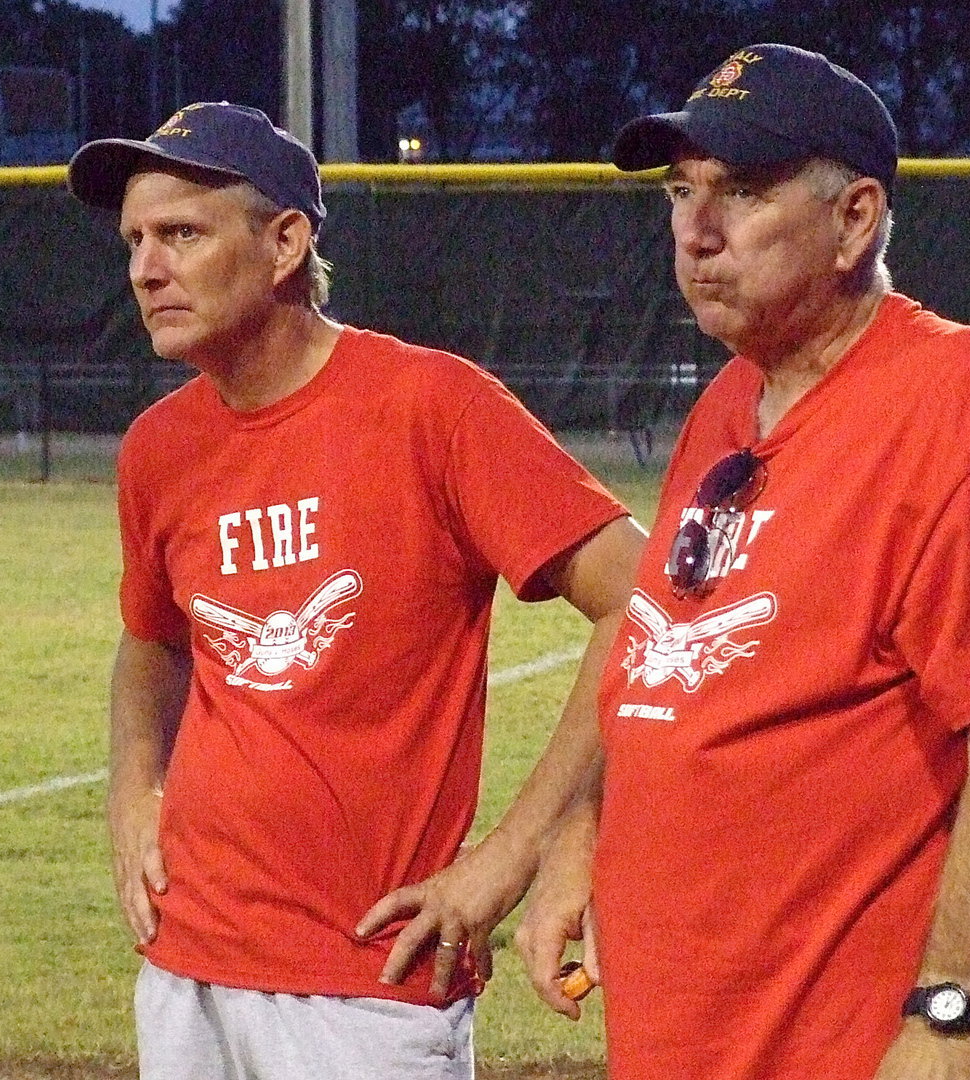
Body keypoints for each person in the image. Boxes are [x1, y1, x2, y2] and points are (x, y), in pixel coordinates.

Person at [516, 43, 970, 1080]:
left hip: (840, 1039)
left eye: (744, 190)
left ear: (855, 218)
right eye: (683, 191)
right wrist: (574, 843)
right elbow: (657, 652)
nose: (696, 228)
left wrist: (946, 1014)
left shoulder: (957, 399)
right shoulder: (732, 396)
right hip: (681, 1028)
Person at [67, 101, 645, 1080]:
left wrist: (513, 856)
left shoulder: (432, 408)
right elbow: (153, 639)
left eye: (181, 234)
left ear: (285, 240)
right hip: (186, 957)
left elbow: (642, 599)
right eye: (133, 239)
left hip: (368, 979)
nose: (144, 268)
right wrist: (135, 790)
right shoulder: (158, 450)